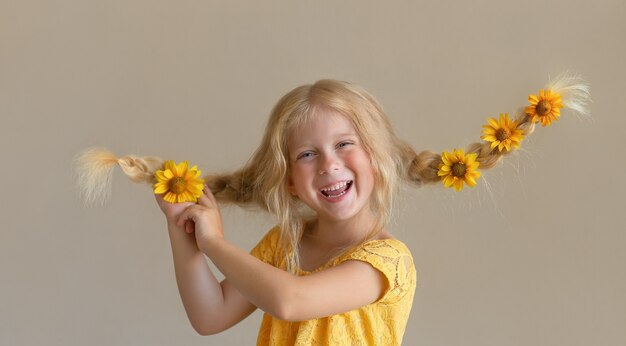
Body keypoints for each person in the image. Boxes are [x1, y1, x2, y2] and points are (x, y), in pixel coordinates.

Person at [76, 75, 589, 345]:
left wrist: (214, 243)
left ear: (379, 157)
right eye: (307, 154)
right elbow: (209, 317)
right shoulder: (284, 245)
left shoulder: (387, 262)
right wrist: (184, 235)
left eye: (346, 144)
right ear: (292, 183)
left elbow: (291, 302)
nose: (329, 165)